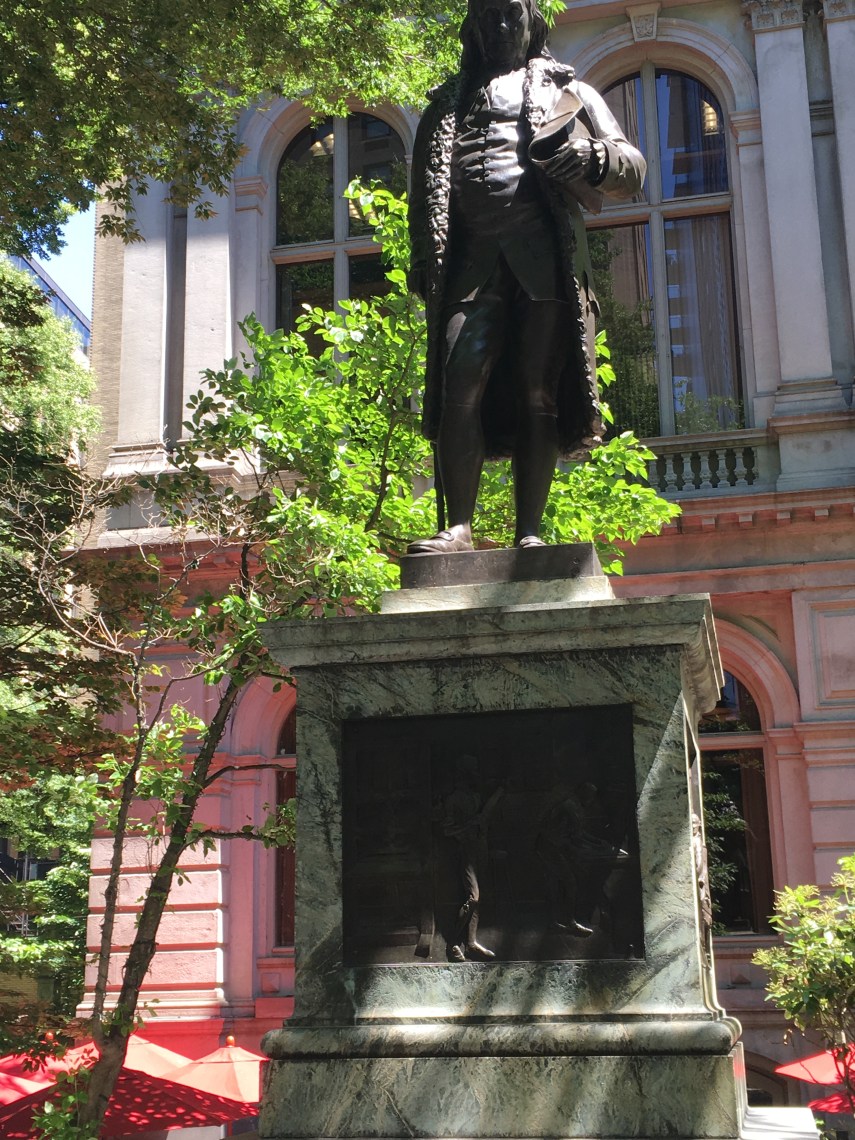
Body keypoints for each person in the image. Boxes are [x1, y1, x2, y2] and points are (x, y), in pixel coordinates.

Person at [406, 0, 646, 554]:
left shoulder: (571, 92)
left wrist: (589, 156)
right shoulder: (446, 104)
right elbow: (424, 196)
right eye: (487, 14)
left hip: (543, 260)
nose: (499, 24)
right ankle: (458, 528)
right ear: (473, 25)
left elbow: (630, 167)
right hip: (470, 263)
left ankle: (529, 534)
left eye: (510, 12)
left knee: (540, 390)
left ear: (533, 20)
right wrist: (424, 258)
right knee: (459, 379)